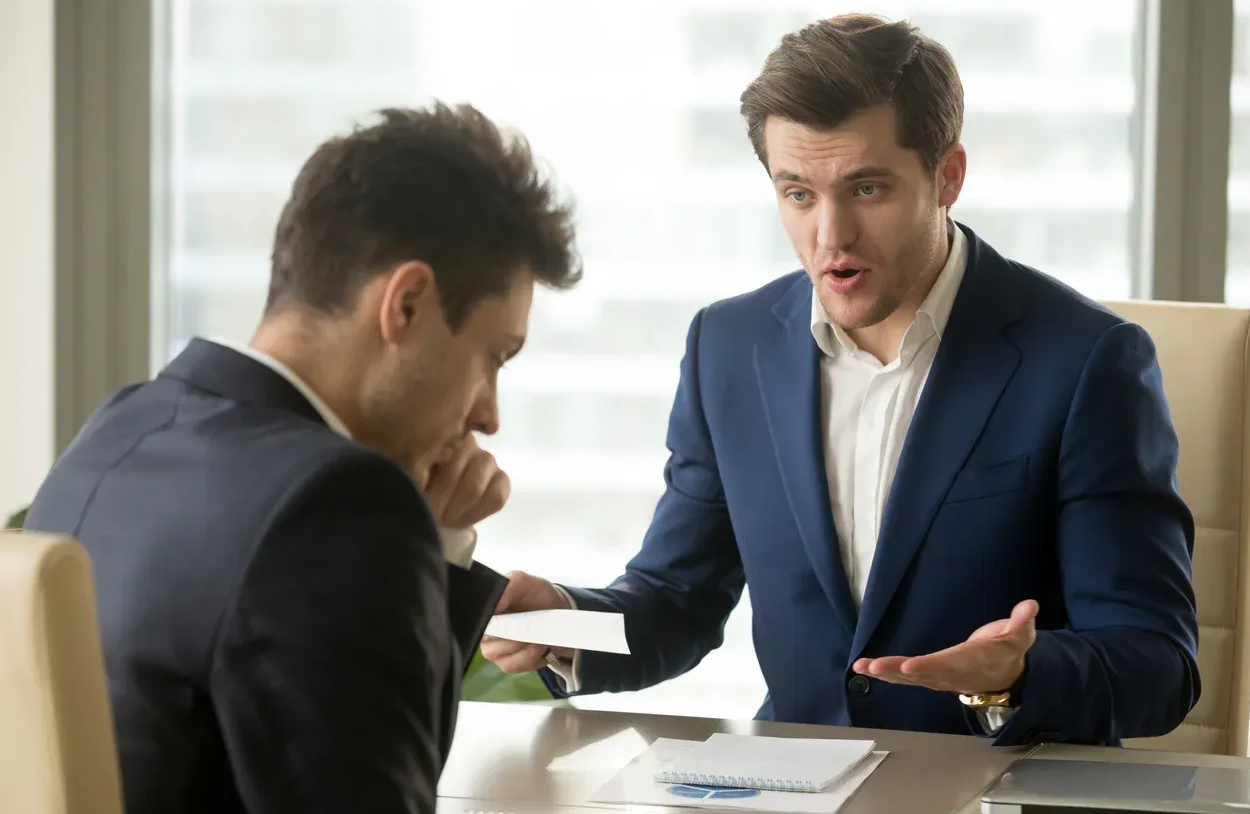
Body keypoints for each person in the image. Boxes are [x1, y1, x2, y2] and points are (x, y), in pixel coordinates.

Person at [483, 13, 1200, 747]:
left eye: (865, 189)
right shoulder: (728, 348)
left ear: (947, 176)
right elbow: (678, 599)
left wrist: (1018, 674)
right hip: (791, 788)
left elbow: (1159, 662)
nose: (830, 236)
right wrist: (564, 620)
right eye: (798, 194)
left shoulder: (1088, 362)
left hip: (997, 788)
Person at [24, 103, 580, 814]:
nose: (488, 415)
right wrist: (431, 546)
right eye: (493, 357)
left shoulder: (122, 428)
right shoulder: (339, 506)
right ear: (405, 304)